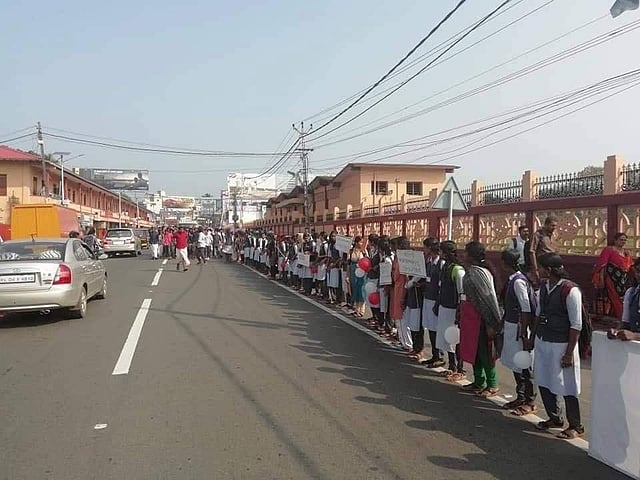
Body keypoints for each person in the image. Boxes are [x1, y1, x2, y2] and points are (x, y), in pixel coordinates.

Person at [533, 252, 584, 439]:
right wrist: (532, 338)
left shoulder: (570, 291)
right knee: (544, 379)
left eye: (540, 267)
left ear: (548, 270)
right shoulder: (544, 287)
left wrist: (569, 353)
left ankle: (575, 425)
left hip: (562, 344)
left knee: (567, 385)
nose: (537, 270)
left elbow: (576, 324)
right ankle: (554, 417)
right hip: (544, 340)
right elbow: (539, 313)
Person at [459, 241, 502, 398]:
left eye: (465, 252)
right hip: (471, 318)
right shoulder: (470, 271)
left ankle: (492, 384)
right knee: (474, 350)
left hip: (482, 318)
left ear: (471, 256)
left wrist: (491, 323)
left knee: (485, 352)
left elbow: (487, 299)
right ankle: (478, 381)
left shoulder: (479, 273)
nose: (463, 255)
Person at [500, 249, 537, 415]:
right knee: (516, 364)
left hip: (518, 328)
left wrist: (523, 332)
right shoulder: (513, 280)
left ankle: (530, 400)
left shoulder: (518, 282)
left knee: (523, 365)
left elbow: (526, 308)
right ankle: (520, 396)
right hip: (510, 325)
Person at [436, 240, 466, 381]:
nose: (440, 253)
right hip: (444, 306)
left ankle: (460, 369)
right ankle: (451, 366)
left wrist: (459, 312)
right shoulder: (445, 267)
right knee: (446, 338)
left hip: (453, 309)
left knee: (454, 338)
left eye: (441, 251)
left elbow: (462, 293)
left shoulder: (457, 270)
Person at [592, 232, 632, 319]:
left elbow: (628, 266)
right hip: (612, 278)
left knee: (624, 297)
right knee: (615, 296)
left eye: (625, 240)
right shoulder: (609, 250)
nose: (623, 242)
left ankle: (622, 317)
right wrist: (601, 279)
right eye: (621, 240)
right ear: (615, 240)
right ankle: (621, 317)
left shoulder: (626, 253)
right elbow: (602, 265)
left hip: (623, 279)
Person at [422, 238, 444, 367]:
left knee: (436, 328)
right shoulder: (428, 262)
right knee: (430, 327)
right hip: (427, 297)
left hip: (435, 300)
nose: (424, 250)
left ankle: (440, 355)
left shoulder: (441, 263)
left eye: (425, 247)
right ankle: (434, 355)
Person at [614, 257, 640, 342]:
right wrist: (616, 332)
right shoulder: (631, 293)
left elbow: (633, 336)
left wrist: (635, 336)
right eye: (638, 271)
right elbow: (626, 323)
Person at [529, 216, 558, 284]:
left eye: (555, 226)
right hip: (542, 267)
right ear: (546, 224)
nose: (554, 228)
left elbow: (555, 250)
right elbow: (532, 252)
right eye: (552, 225)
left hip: (552, 267)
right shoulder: (538, 235)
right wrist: (535, 269)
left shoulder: (554, 234)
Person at [349, 236, 366, 318]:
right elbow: (349, 263)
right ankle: (356, 308)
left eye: (362, 242)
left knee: (361, 289)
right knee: (355, 288)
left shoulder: (364, 251)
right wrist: (347, 275)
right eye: (360, 242)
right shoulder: (351, 251)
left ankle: (361, 310)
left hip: (361, 271)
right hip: (353, 270)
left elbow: (367, 261)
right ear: (356, 243)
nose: (361, 244)